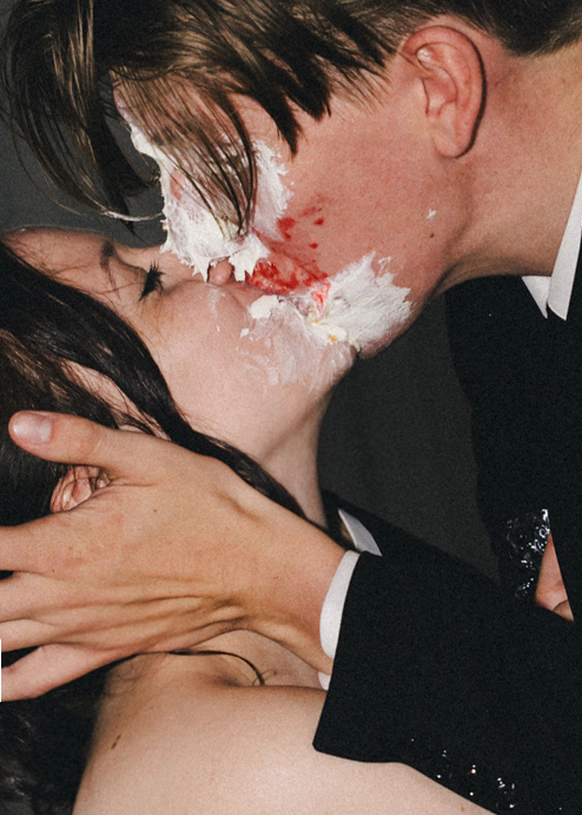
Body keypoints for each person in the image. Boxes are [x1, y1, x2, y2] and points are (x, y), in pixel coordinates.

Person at [1, 0, 582, 810]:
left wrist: (289, 580)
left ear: (440, 87)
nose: (205, 241)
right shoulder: (496, 324)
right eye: (150, 280)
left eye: (224, 162)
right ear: (95, 488)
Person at [0, 234, 495, 815]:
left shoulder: (362, 557)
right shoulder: (237, 771)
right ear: (93, 489)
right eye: (152, 284)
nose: (210, 253)